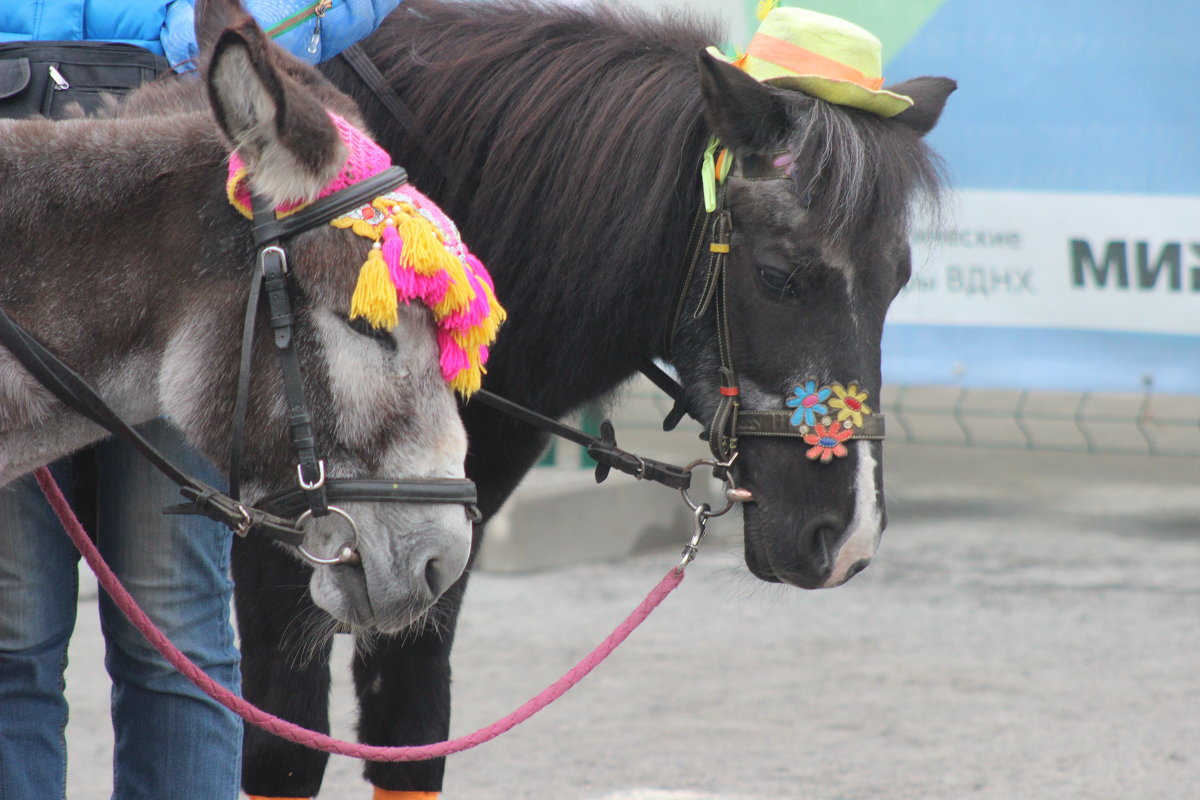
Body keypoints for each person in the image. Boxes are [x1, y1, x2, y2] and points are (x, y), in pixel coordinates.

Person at [0, 2, 398, 797]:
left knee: (172, 628)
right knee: (10, 637)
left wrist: (229, 31)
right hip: (22, 209)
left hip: (181, 212)